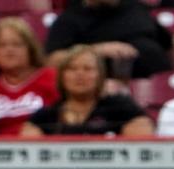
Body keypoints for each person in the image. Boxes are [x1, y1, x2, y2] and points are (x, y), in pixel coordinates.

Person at [21, 44, 154, 137]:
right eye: (72, 69)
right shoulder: (45, 116)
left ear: (100, 75)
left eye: (88, 69)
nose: (80, 74)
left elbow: (142, 139)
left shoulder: (123, 109)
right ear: (61, 76)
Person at [45, 0, 173, 80]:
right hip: (105, 88)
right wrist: (98, 50)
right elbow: (52, 60)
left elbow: (168, 43)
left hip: (159, 82)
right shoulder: (70, 19)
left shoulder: (135, 7)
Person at [0, 17, 59, 135]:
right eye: (2, 45)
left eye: (17, 44)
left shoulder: (51, 78)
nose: (9, 50)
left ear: (30, 49)